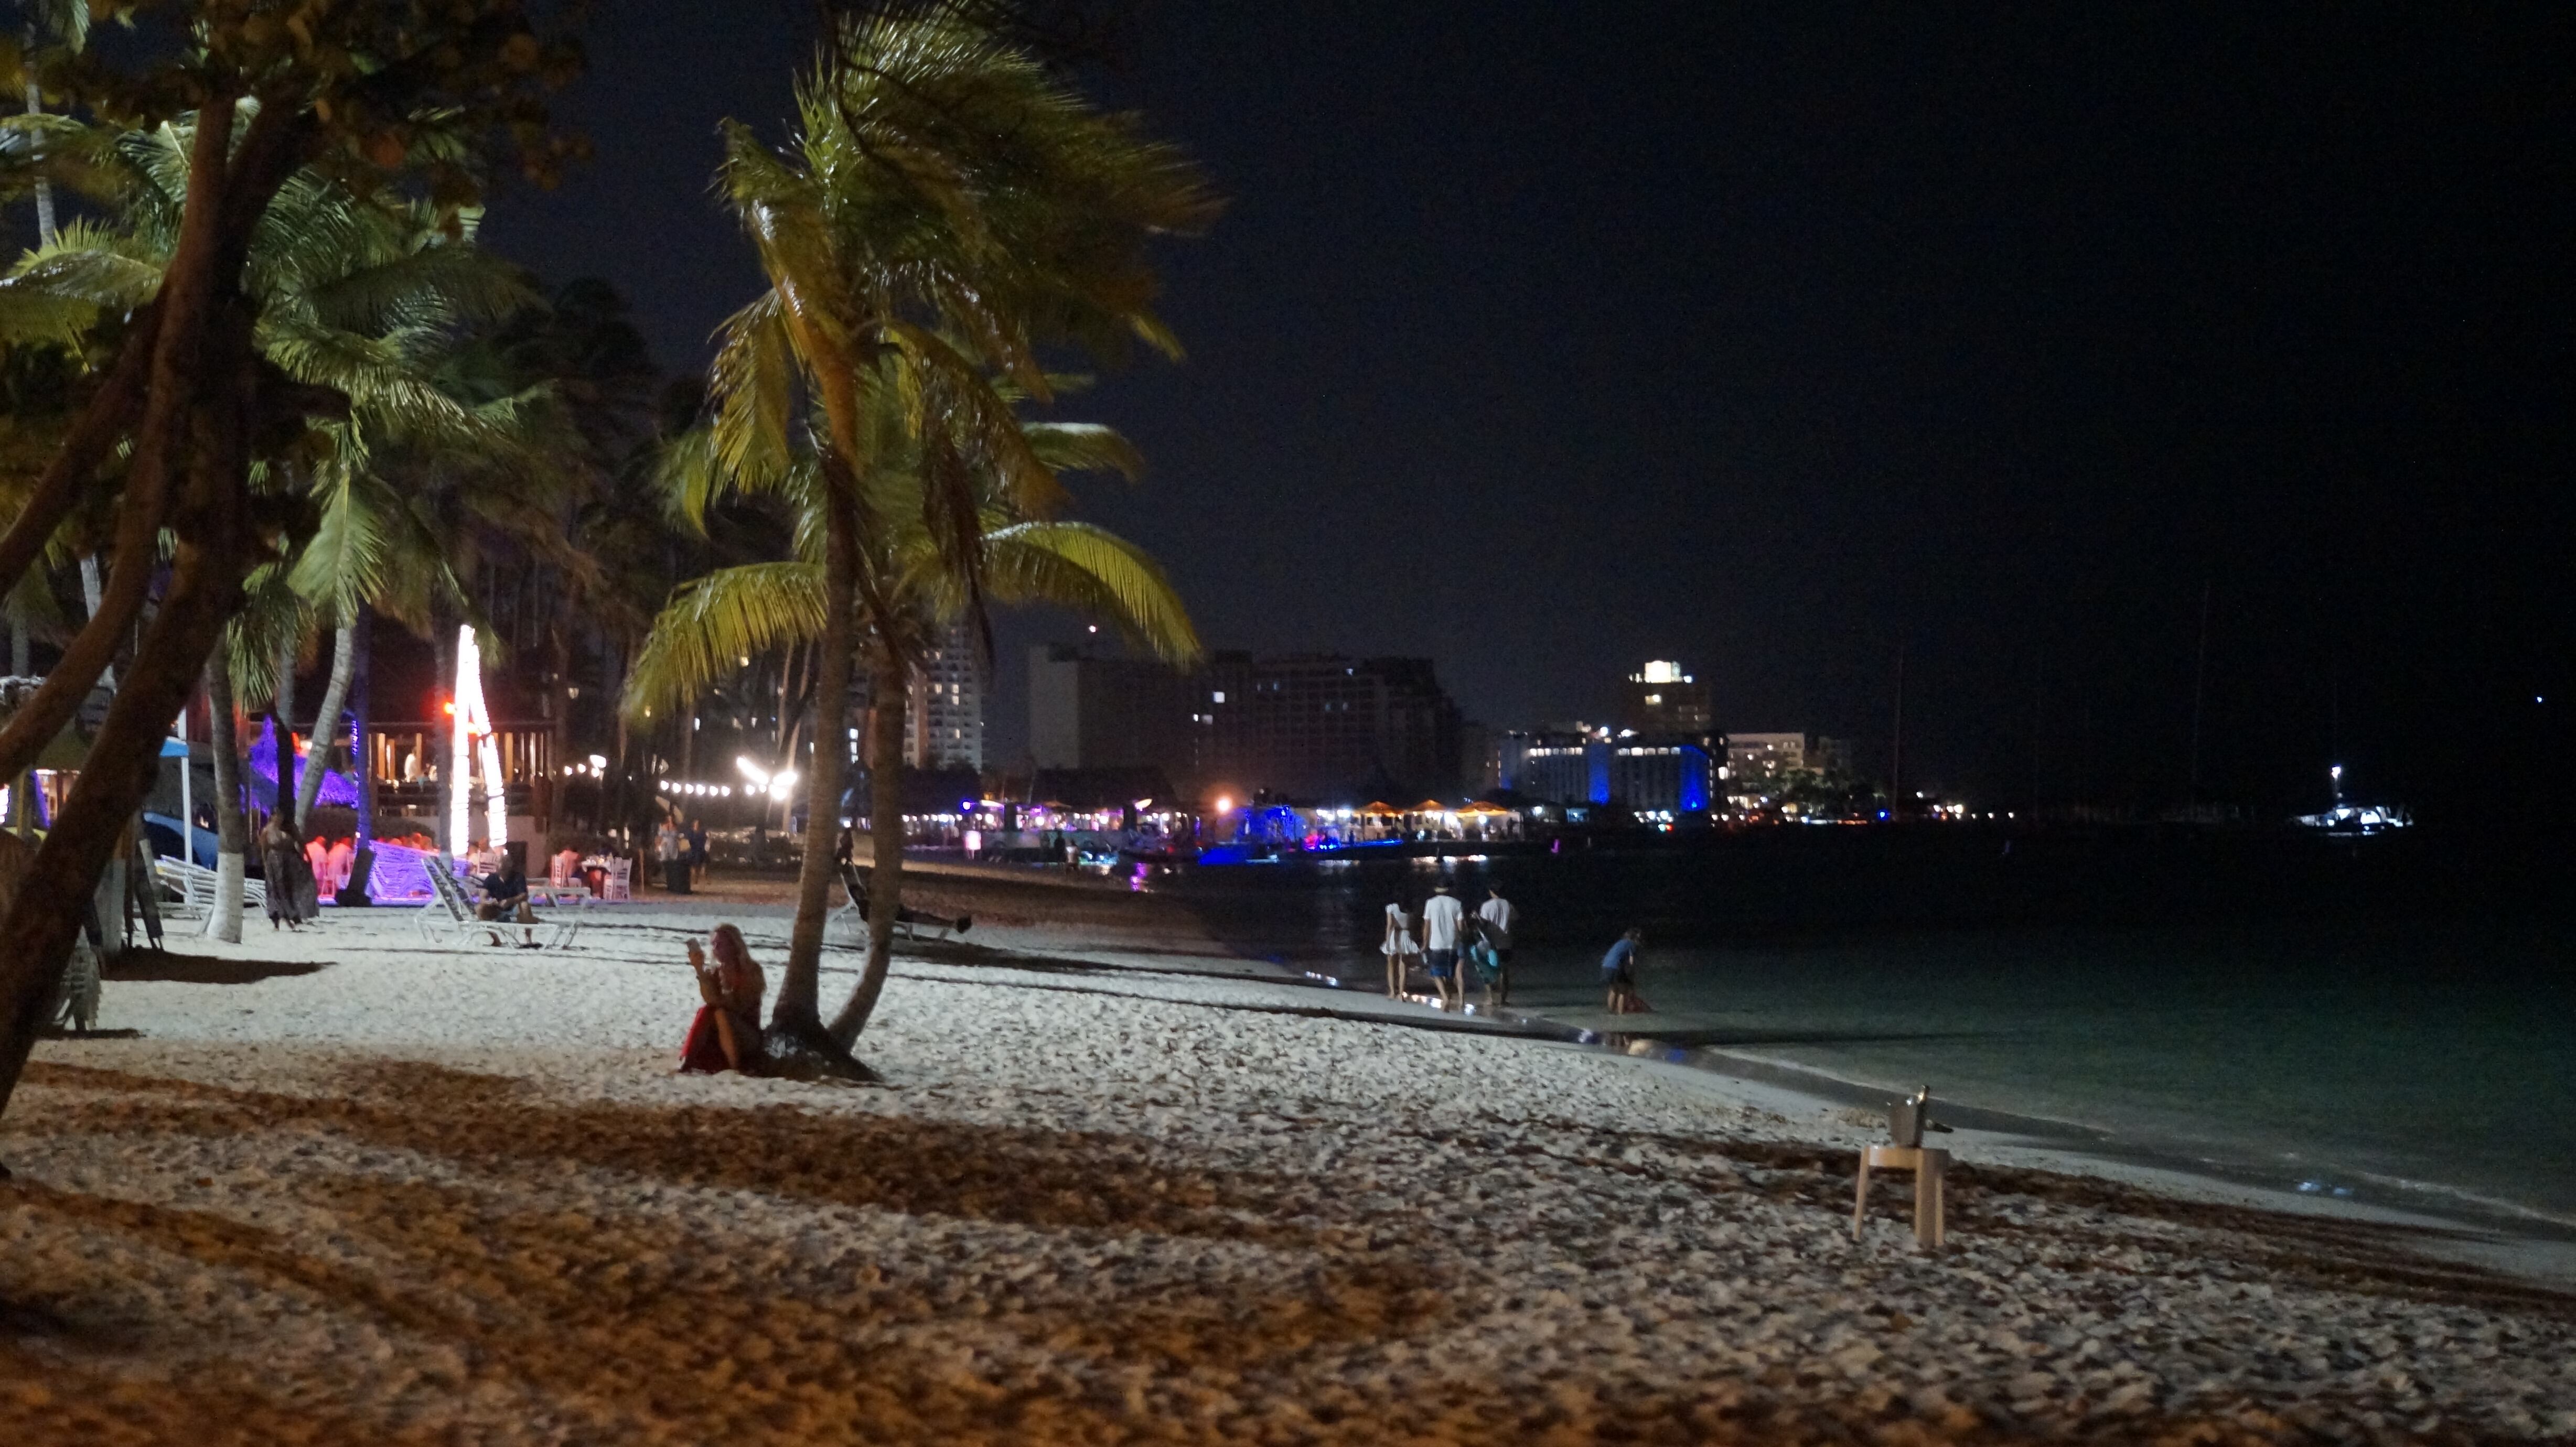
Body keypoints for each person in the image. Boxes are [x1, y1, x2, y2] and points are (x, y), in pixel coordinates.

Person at [678, 923, 768, 1074]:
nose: (716, 948)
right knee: (707, 1010)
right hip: (721, 1035)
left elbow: (739, 1007)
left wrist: (726, 981)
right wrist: (700, 970)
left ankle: (736, 1066)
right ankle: (686, 1059)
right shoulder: (715, 971)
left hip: (747, 1035)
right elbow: (710, 1000)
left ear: (734, 946)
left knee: (720, 1013)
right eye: (713, 945)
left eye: (720, 944)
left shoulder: (751, 970)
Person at [476, 850, 538, 947]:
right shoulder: (491, 879)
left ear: (509, 865)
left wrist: (510, 901)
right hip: (497, 909)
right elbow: (482, 897)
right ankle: (496, 939)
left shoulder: (518, 877)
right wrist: (489, 902)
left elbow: (524, 895)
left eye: (503, 864)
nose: (501, 867)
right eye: (499, 863)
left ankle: (528, 939)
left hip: (514, 908)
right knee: (479, 908)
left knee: (525, 905)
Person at [259, 814, 310, 931]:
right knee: (275, 891)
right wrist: (266, 865)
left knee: (287, 890)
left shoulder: (287, 830)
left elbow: (297, 844)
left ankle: (290, 917)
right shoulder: (268, 831)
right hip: (274, 862)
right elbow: (264, 850)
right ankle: (277, 921)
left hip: (286, 863)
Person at [1420, 879, 1465, 1011]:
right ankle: (1449, 998)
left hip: (1436, 943)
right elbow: (1460, 927)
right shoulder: (1457, 904)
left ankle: (1444, 996)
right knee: (1450, 975)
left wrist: (1425, 943)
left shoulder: (1430, 903)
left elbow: (1427, 926)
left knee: (1436, 973)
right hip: (1453, 944)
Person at [1476, 884, 1518, 1008]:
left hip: (1491, 943)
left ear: (1491, 892)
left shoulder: (1486, 906)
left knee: (1486, 970)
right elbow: (1515, 919)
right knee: (1504, 972)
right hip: (1506, 942)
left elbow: (1483, 924)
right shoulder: (1508, 904)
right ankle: (1503, 1000)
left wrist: (1477, 918)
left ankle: (1490, 998)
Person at [1601, 927, 1649, 1014]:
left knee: (1614, 989)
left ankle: (1611, 1013)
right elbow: (1631, 962)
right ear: (1635, 938)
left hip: (1606, 966)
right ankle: (1621, 1015)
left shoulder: (1620, 943)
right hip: (1616, 967)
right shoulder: (1631, 944)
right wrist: (1632, 978)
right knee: (1623, 991)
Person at [1380, 897, 1418, 999]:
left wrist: (1387, 942)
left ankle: (1392, 992)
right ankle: (1401, 993)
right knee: (1403, 966)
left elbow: (1389, 926)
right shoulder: (1410, 909)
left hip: (1394, 935)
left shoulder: (1391, 908)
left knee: (1391, 966)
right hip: (1406, 934)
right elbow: (1413, 925)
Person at [686, 817, 709, 884]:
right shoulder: (690, 832)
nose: (697, 825)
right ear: (693, 824)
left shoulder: (702, 832)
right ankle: (693, 879)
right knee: (692, 866)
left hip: (700, 850)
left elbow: (706, 839)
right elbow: (688, 840)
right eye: (696, 823)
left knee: (698, 865)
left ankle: (696, 879)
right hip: (692, 850)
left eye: (698, 824)